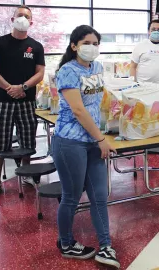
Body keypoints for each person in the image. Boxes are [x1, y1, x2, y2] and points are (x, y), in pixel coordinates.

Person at [53, 25, 120, 268]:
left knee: (100, 196)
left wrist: (105, 129)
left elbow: (97, 102)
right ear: (74, 46)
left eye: (96, 43)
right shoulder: (67, 71)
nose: (92, 48)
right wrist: (101, 139)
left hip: (93, 139)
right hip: (70, 141)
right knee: (71, 196)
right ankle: (67, 242)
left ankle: (105, 246)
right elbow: (78, 109)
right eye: (87, 43)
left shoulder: (98, 67)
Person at [0, 5, 45, 199]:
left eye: (27, 16)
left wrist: (23, 88)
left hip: (27, 101)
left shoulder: (36, 46)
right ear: (12, 19)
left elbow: (40, 73)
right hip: (3, 100)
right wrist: (10, 88)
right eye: (20, 15)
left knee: (28, 137)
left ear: (32, 22)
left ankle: (26, 173)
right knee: (0, 141)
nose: (23, 18)